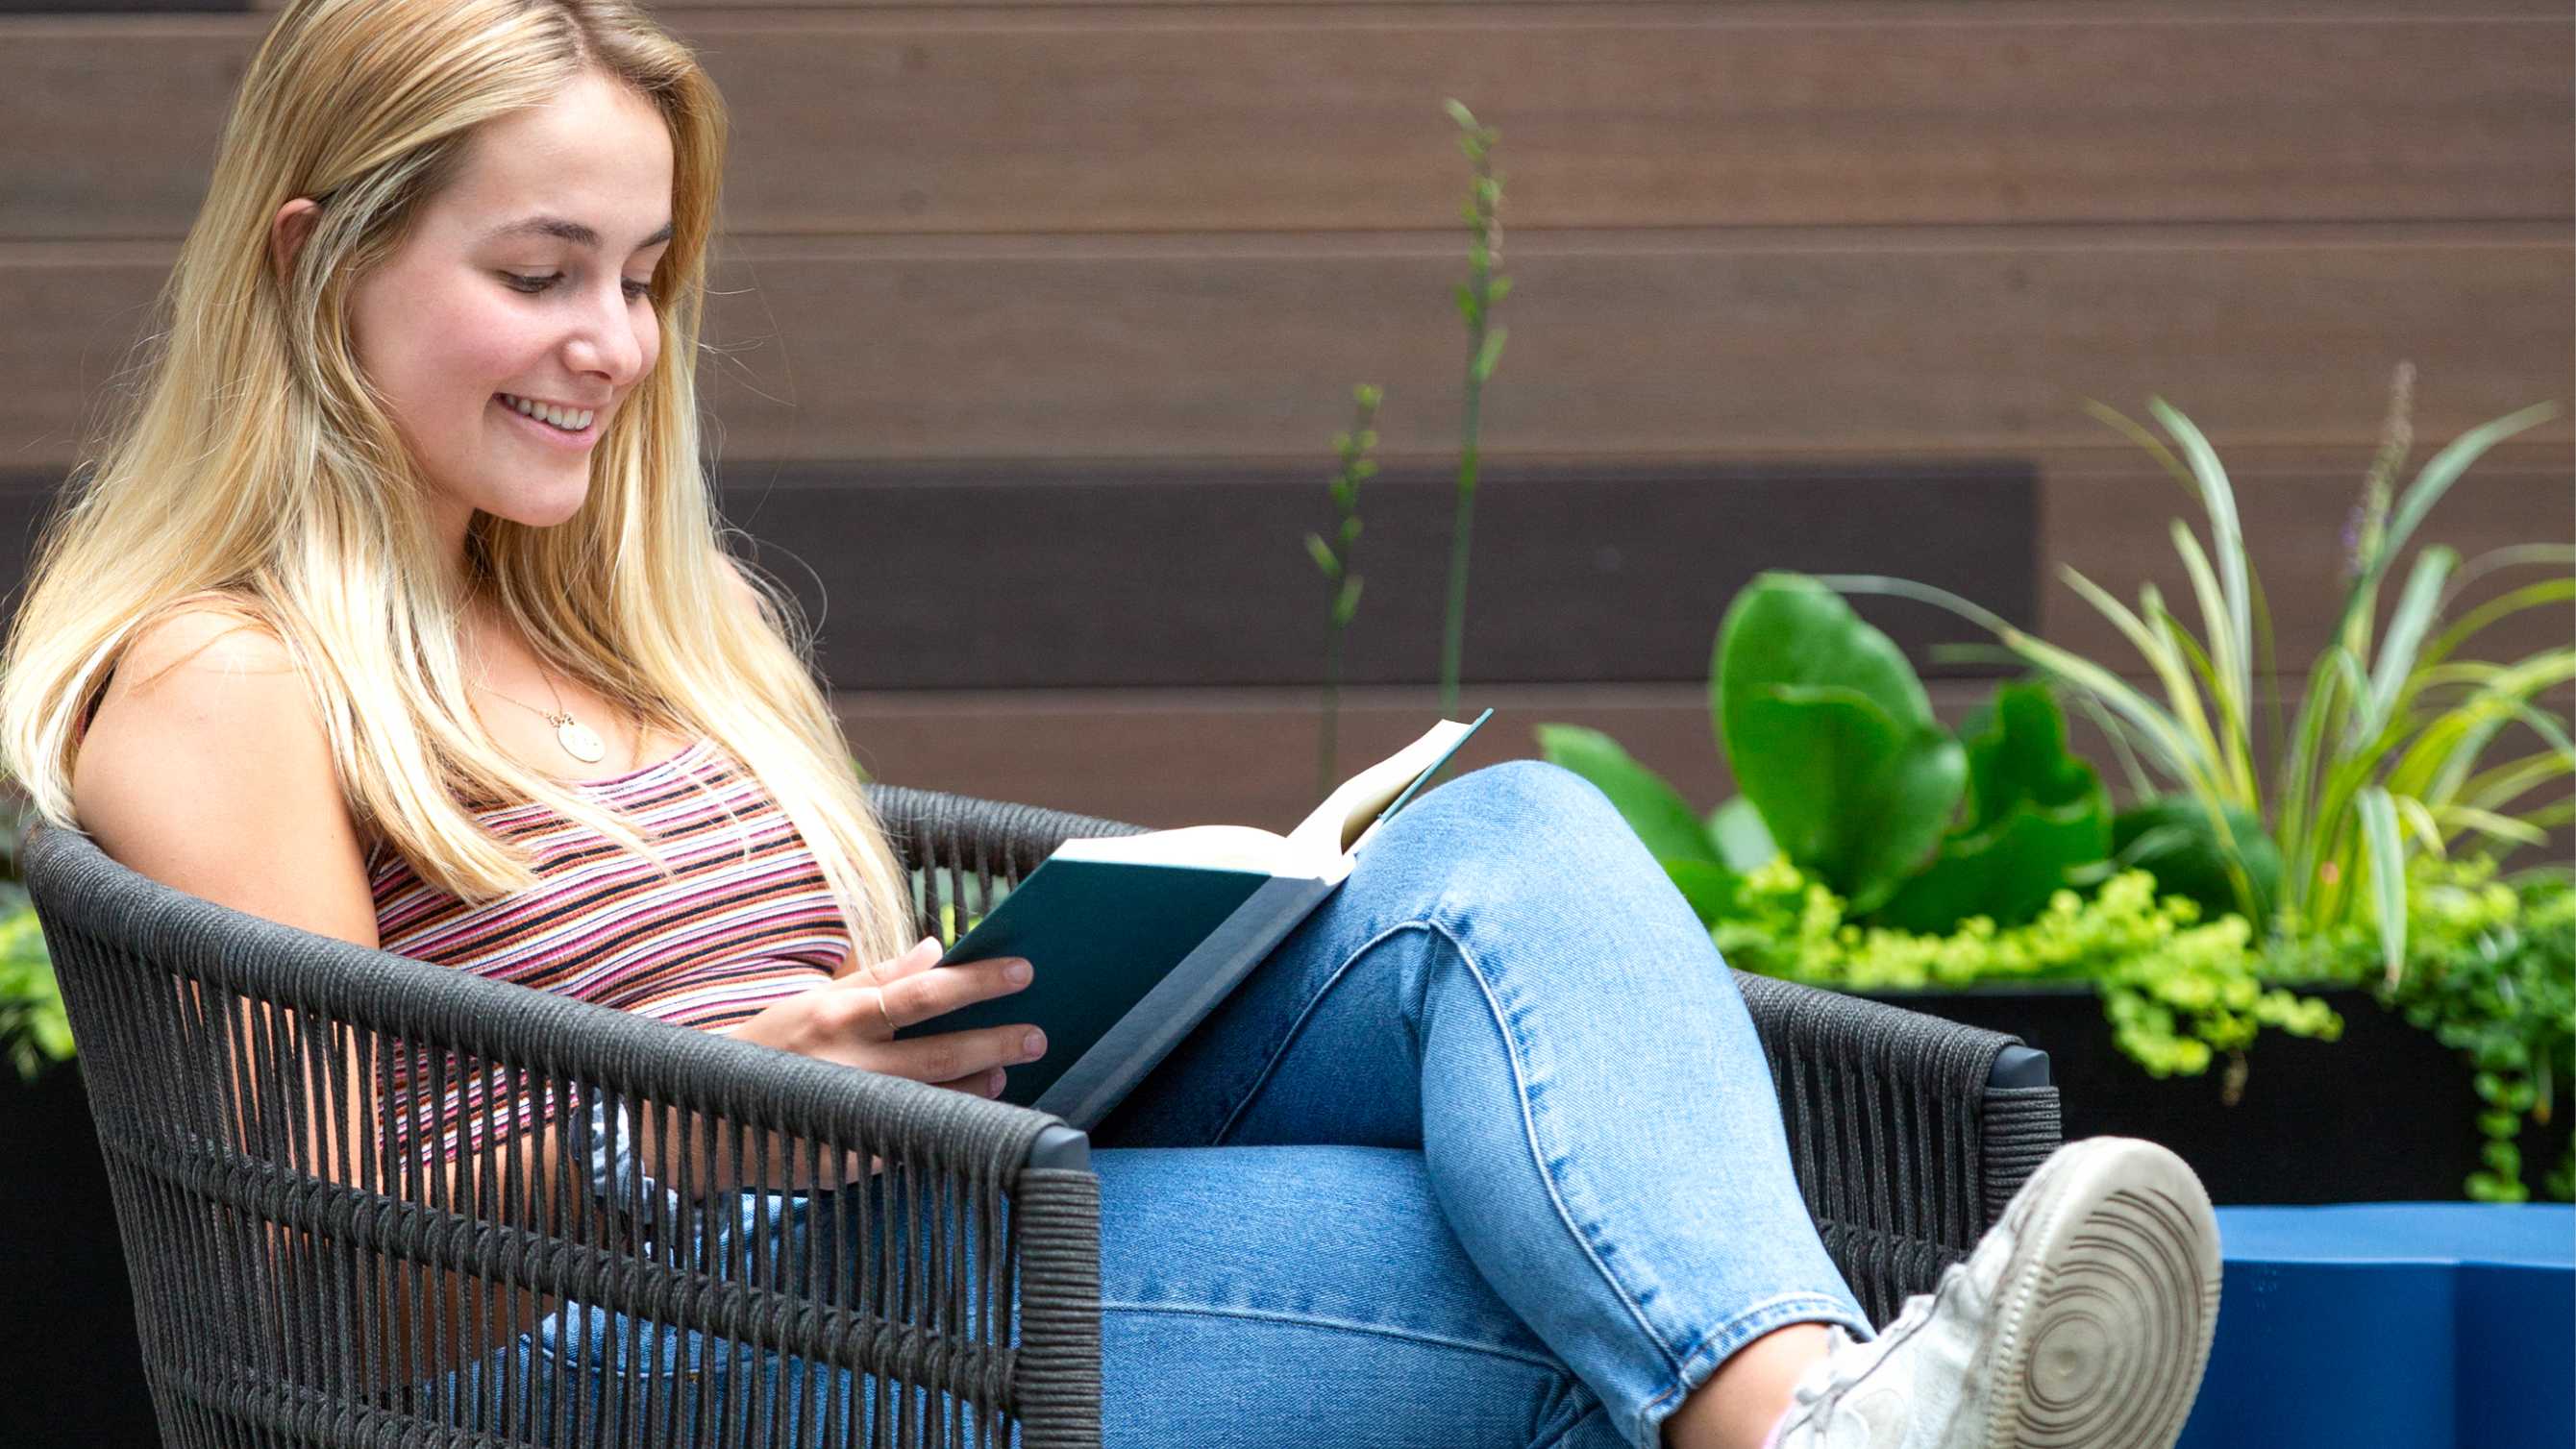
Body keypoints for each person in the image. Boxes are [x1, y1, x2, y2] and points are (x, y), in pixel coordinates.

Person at [0, 1, 2224, 1445]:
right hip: (639, 1358)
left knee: (1508, 852)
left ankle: (1807, 1425)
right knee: (1531, 1282)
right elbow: (295, 1271)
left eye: (648, 276)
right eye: (541, 268)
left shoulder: (631, 637)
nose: (615, 344)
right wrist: (700, 1119)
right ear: (311, 262)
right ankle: (1814, 1421)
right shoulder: (221, 677)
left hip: (932, 1229)